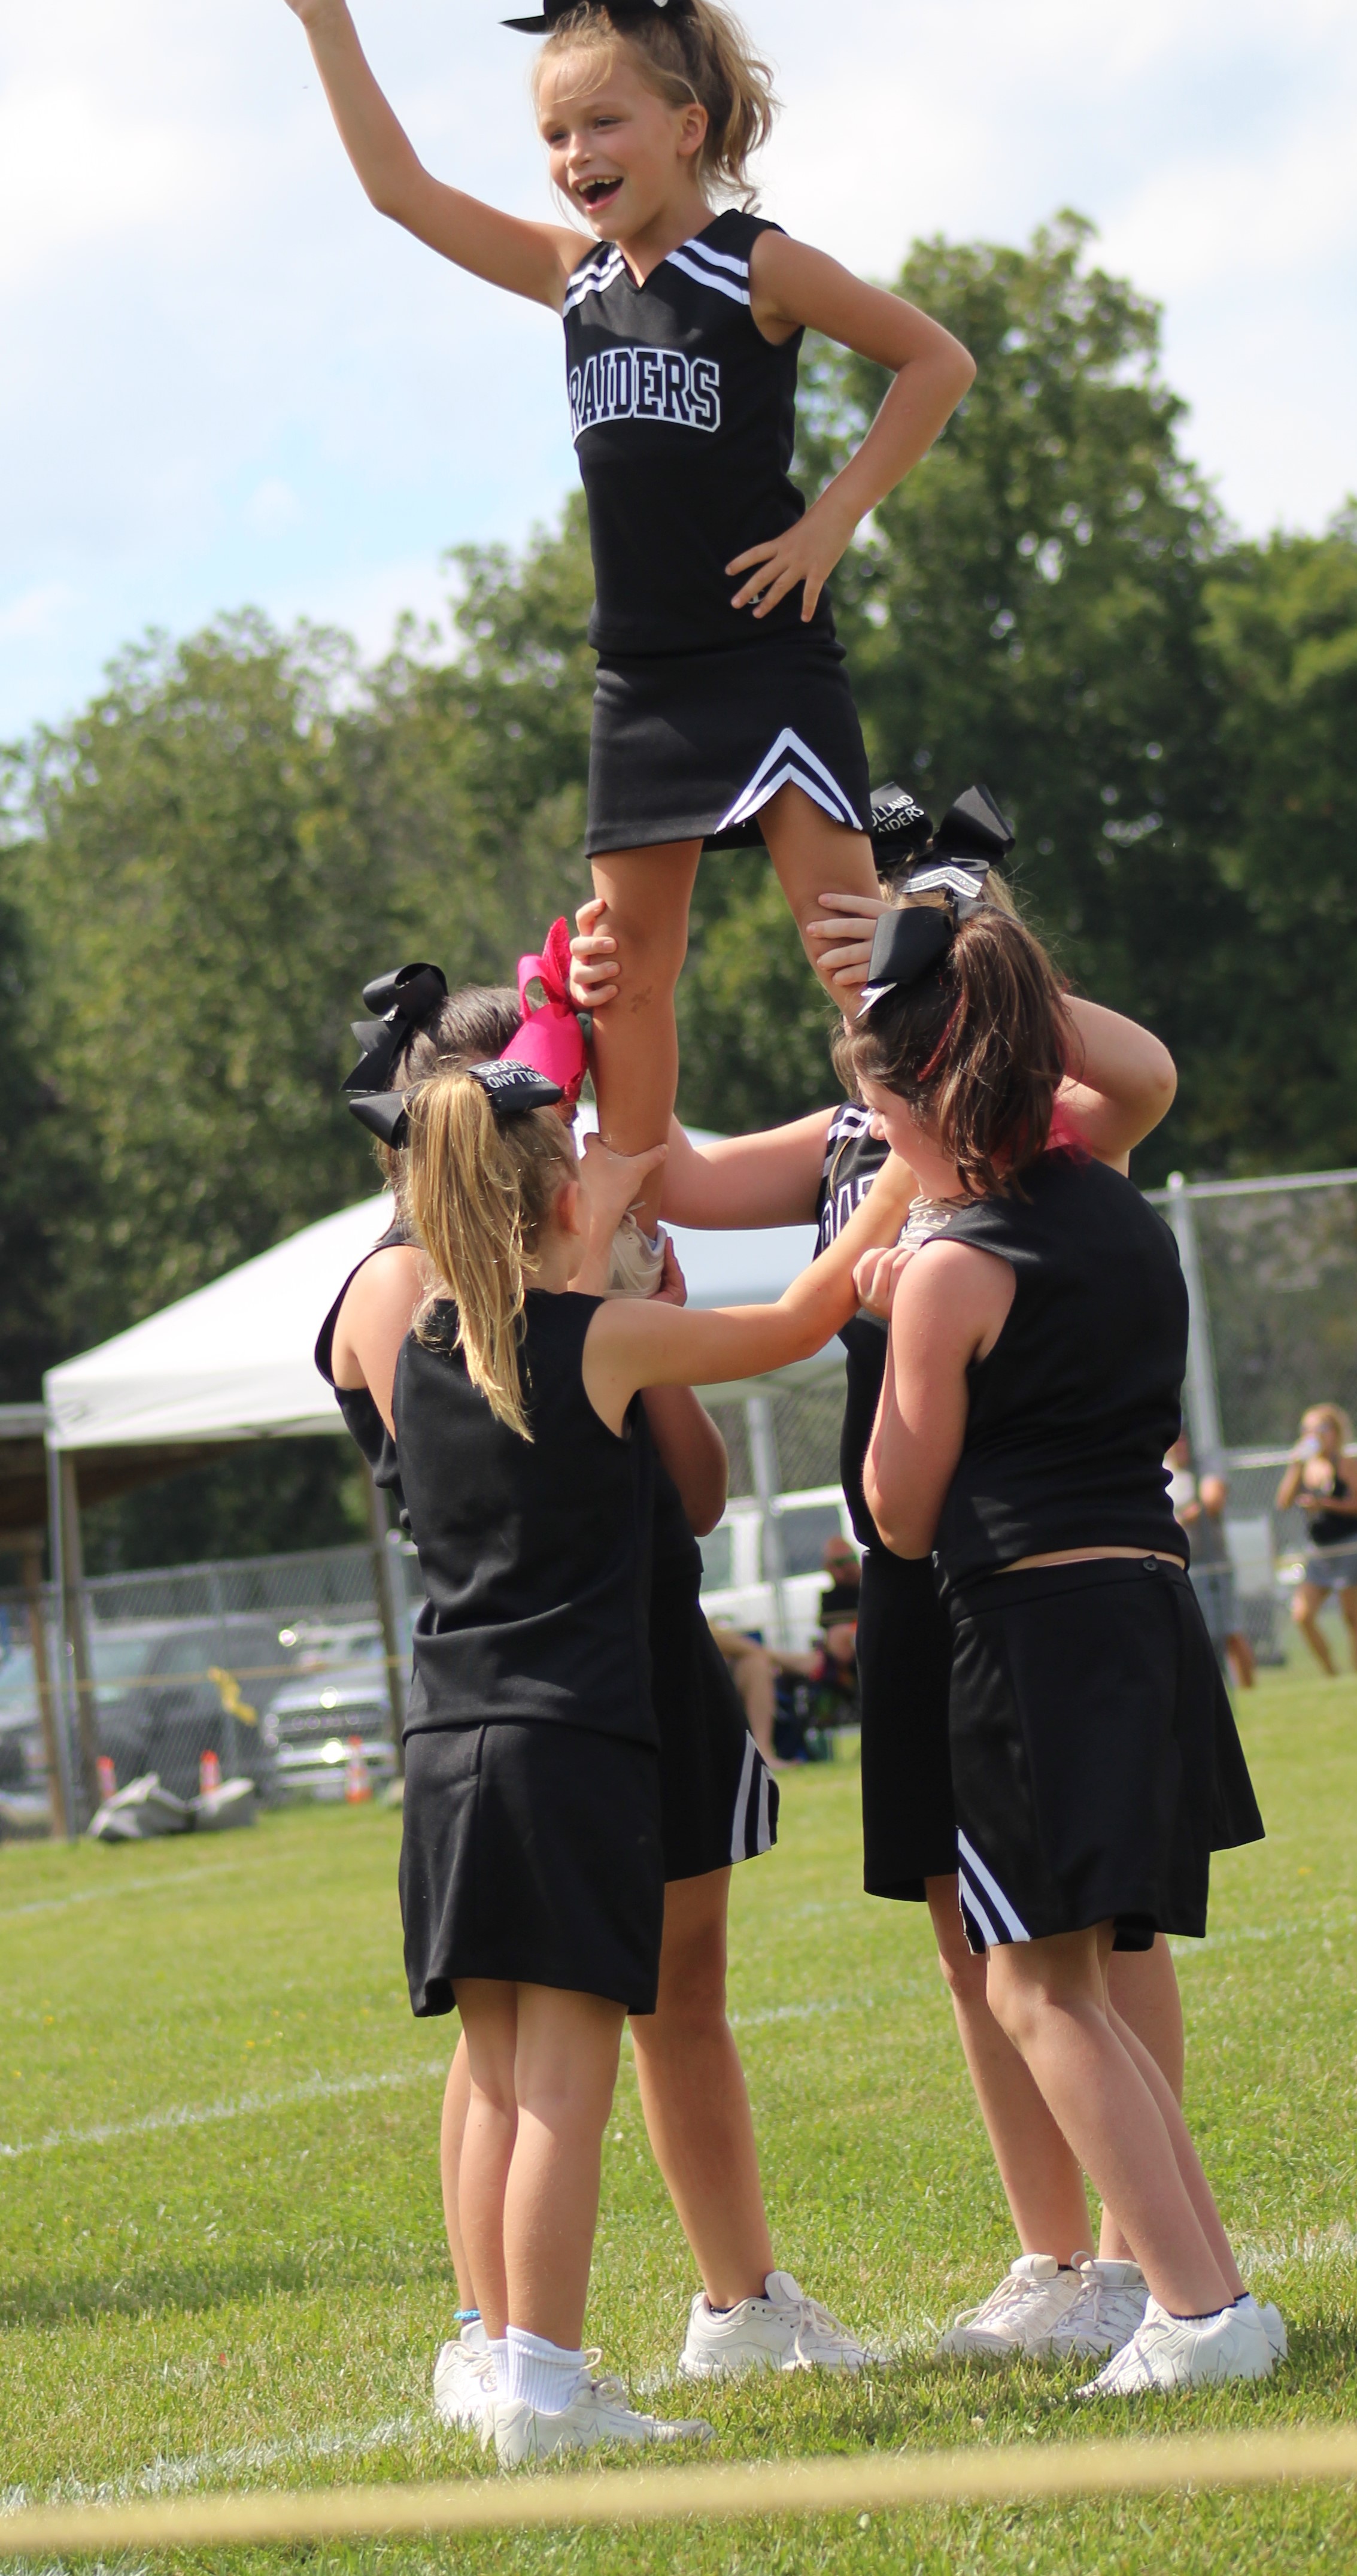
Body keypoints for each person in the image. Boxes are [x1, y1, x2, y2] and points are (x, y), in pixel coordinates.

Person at [263, 0, 974, 1281]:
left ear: (685, 126)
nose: (574, 154)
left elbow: (934, 361)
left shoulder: (757, 265)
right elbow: (400, 191)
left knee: (850, 949)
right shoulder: (571, 276)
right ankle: (635, 1222)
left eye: (602, 123)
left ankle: (955, 1163)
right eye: (554, 134)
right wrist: (325, 18)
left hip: (767, 662)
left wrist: (831, 519)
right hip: (640, 684)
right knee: (627, 975)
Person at [641, 801, 1219, 2369]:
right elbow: (671, 1173)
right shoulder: (855, 1131)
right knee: (968, 1923)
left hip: (1035, 1562)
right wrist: (625, 1001)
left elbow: (1144, 1078)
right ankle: (1052, 2257)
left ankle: (1139, 2262)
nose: (850, 935)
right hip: (921, 1575)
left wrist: (971, 946)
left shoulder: (1037, 1109)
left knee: (1097, 1929)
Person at [331, 1047, 910, 2463]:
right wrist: (904, 1168)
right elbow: (797, 1319)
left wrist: (593, 1227)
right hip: (569, 1751)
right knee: (566, 2087)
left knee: (503, 2074)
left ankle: (509, 2365)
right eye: (579, 1160)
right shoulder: (594, 1338)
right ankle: (544, 2389)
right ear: (547, 1195)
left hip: (447, 1755)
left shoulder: (421, 1347)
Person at [848, 900, 1280, 2396]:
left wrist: (890, 1316)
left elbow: (896, 1514)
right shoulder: (1115, 1204)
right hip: (1144, 1608)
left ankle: (1200, 2313)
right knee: (1083, 1989)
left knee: (1033, 1989)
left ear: (925, 1100)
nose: (876, 1132)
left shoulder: (949, 1266)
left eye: (881, 1106)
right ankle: (1208, 2300)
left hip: (1030, 1632)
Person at [1276, 1404, 1357, 1676]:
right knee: (1302, 1615)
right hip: (1319, 1550)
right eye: (1307, 1430)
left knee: (1351, 1617)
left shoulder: (1346, 1465)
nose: (1314, 1435)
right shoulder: (1305, 1467)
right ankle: (1331, 1672)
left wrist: (1325, 1504)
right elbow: (1283, 1503)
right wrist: (1295, 1466)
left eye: (1321, 1429)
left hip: (1349, 1544)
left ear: (1335, 1432)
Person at [1167, 1436, 1256, 1692]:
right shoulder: (1163, 1473)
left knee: (1230, 1631)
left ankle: (1249, 1690)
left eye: (1184, 1440)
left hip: (1213, 1564)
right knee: (1194, 1633)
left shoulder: (1205, 1467)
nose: (1180, 1446)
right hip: (1181, 1567)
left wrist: (1179, 1519)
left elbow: (1212, 1501)